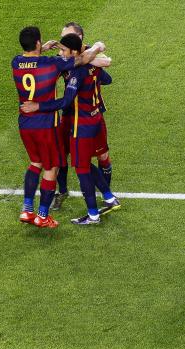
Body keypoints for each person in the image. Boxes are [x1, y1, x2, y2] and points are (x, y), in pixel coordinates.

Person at [11, 26, 105, 227]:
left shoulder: (16, 62)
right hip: (45, 124)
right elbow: (82, 60)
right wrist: (97, 47)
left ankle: (27, 210)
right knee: (52, 167)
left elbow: (30, 61)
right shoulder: (52, 64)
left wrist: (40, 49)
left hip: (25, 123)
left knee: (35, 162)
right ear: (38, 42)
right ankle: (43, 215)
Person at [45, 22, 119, 213]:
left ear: (78, 39)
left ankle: (105, 197)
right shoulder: (69, 57)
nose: (61, 44)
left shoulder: (83, 58)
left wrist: (39, 106)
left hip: (85, 116)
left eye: (65, 39)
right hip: (72, 115)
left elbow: (106, 65)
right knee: (62, 154)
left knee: (98, 156)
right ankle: (62, 192)